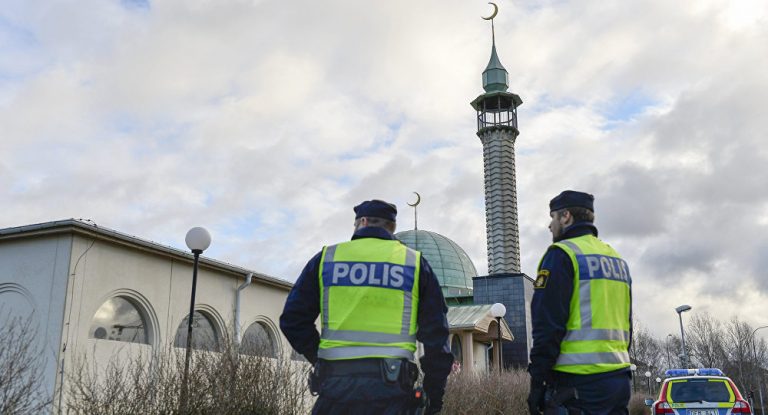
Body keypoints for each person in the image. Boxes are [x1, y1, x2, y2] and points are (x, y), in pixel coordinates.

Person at [280, 199, 453, 415]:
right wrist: (433, 399)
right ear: (392, 228)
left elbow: (292, 320)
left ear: (362, 222)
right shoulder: (414, 264)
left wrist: (319, 358)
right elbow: (437, 339)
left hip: (336, 390)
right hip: (393, 393)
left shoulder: (327, 259)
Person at [527, 190, 633, 415]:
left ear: (566, 216)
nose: (550, 225)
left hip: (578, 386)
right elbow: (628, 325)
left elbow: (547, 326)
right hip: (619, 380)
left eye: (553, 217)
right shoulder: (616, 259)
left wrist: (537, 383)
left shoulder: (562, 255)